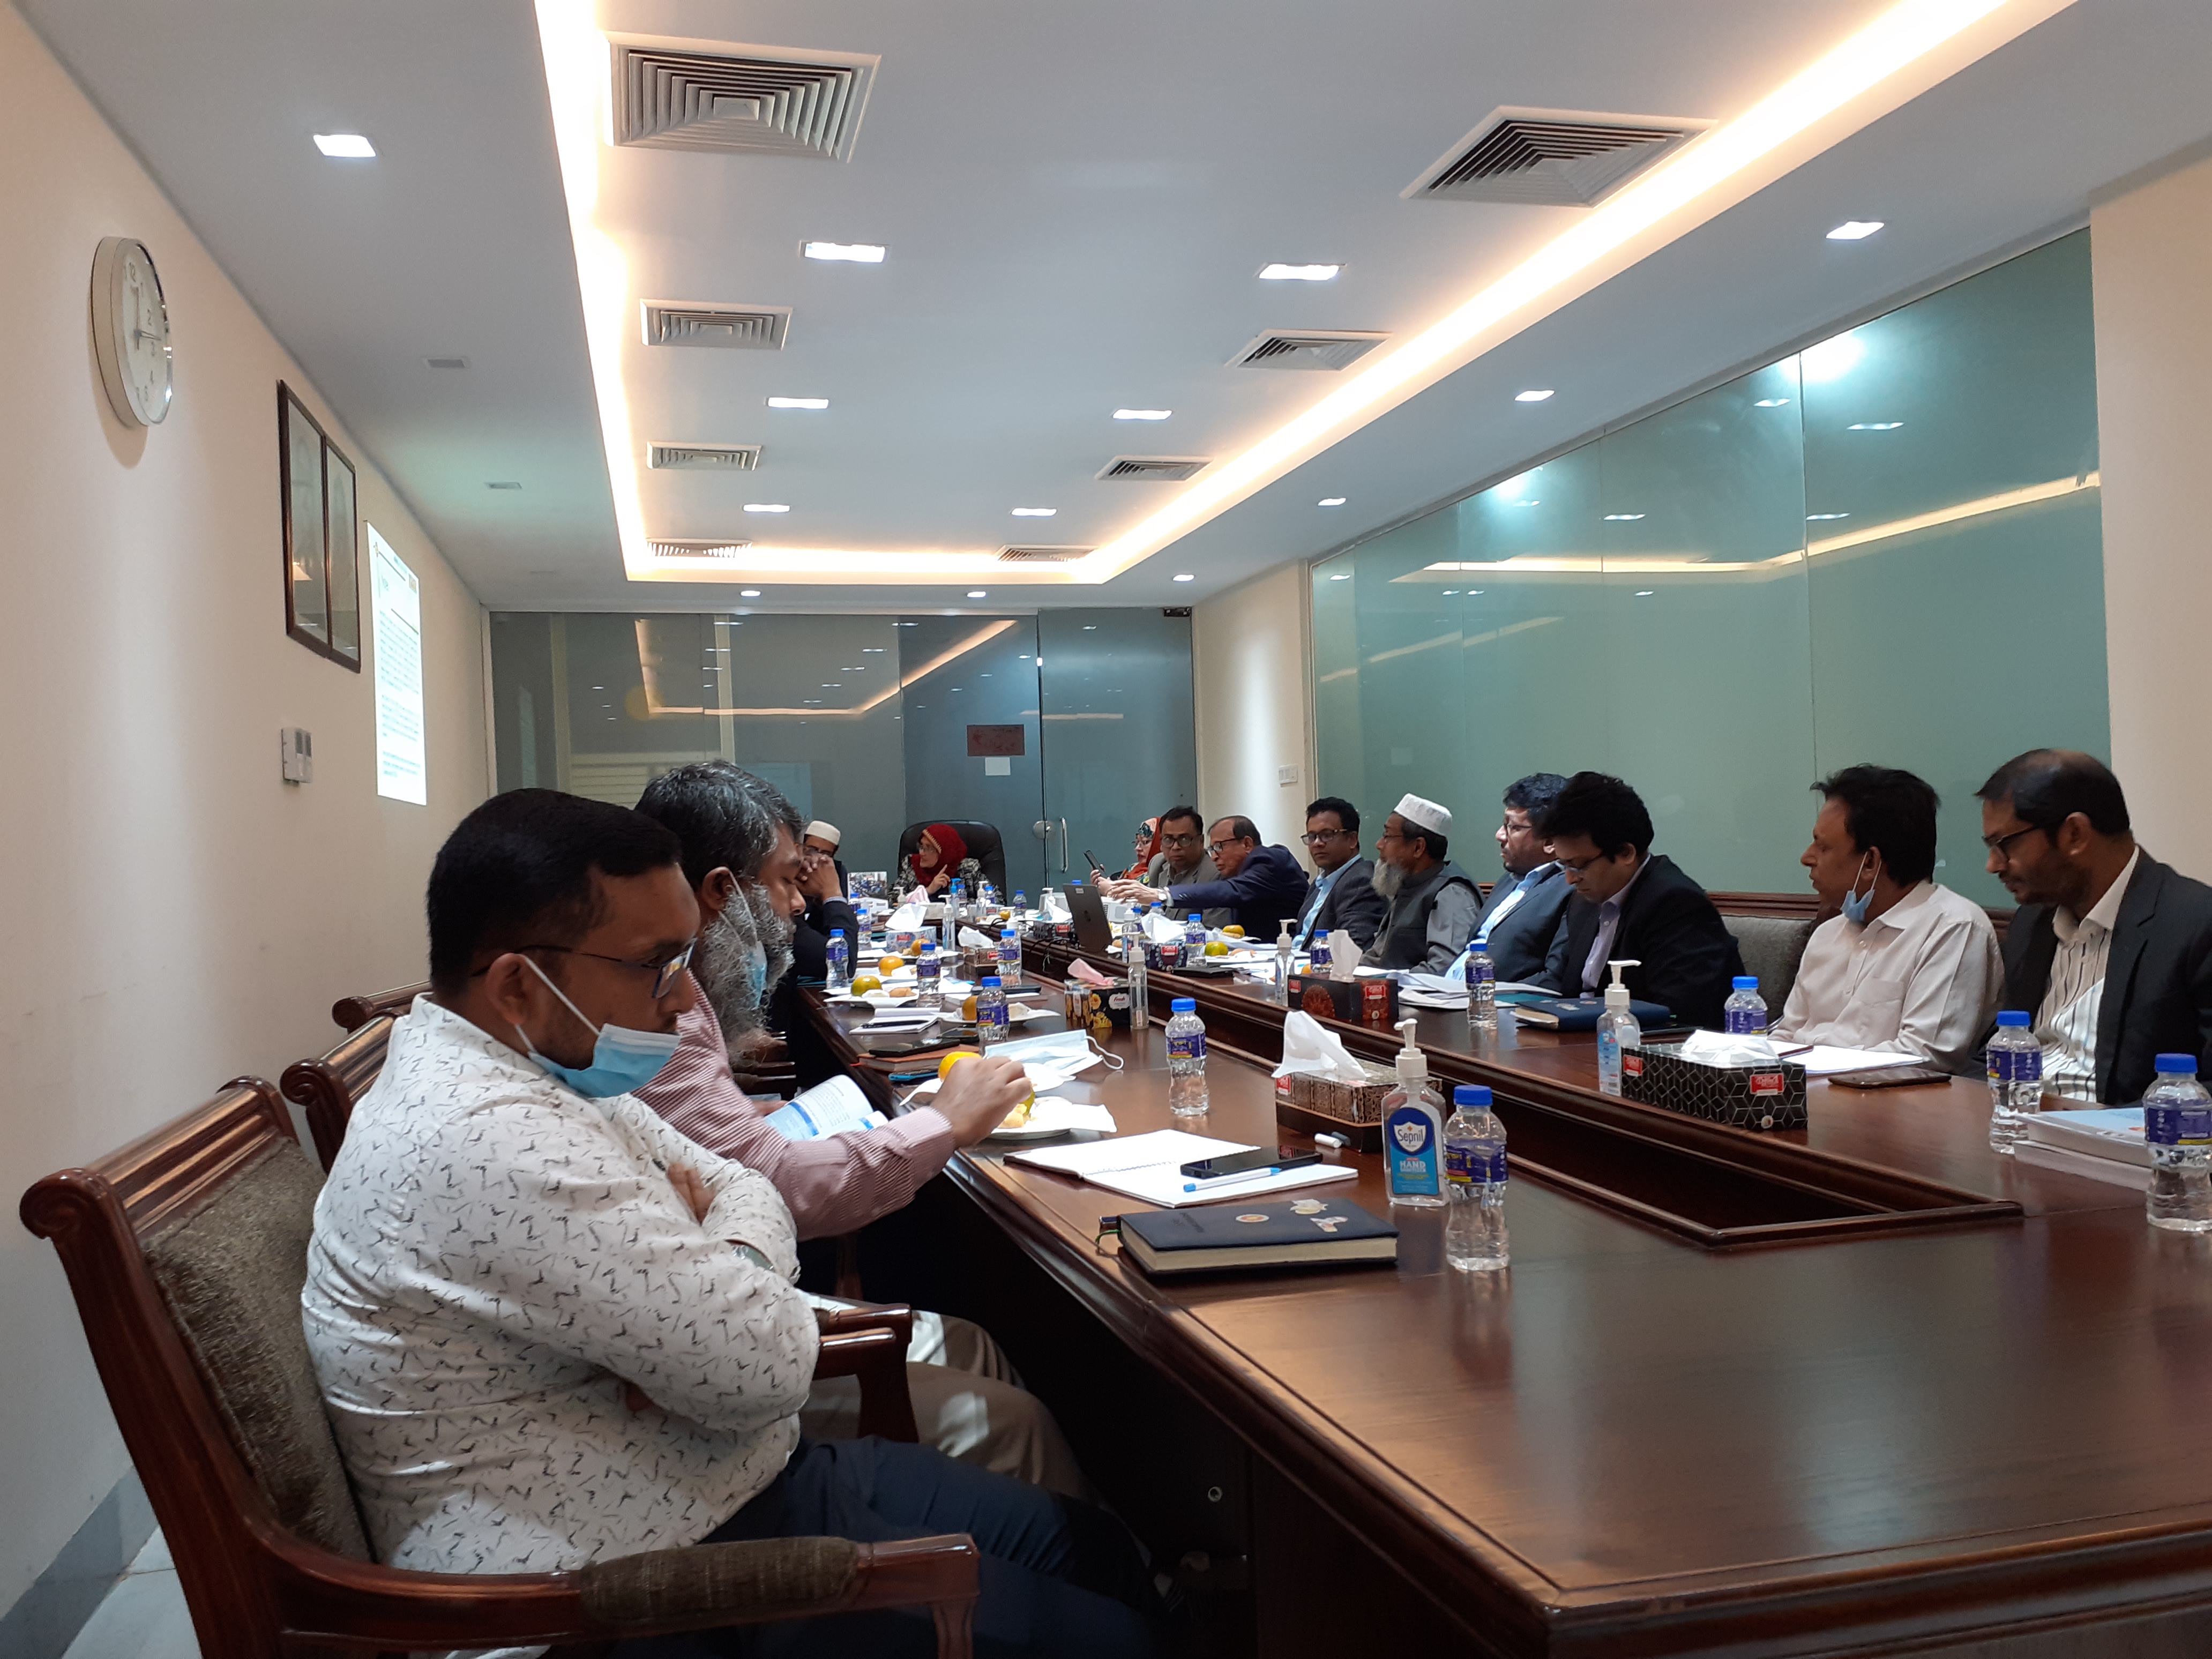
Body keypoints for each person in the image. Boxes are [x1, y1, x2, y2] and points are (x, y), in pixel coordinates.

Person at [302, 790, 1164, 1656]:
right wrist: (730, 1263)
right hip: (632, 1583)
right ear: (519, 984)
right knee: (1117, 1635)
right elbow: (768, 1365)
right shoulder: (498, 1140)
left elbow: (738, 1185)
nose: (685, 1000)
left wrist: (716, 1256)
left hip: (722, 1470)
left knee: (1094, 1552)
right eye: (656, 964)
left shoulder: (537, 1064)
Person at [634, 764, 1088, 1496]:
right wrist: (943, 1123)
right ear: (722, 890)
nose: (797, 905)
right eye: (788, 881)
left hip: (717, 1317)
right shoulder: (659, 1011)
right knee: (1017, 1419)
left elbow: (717, 1164)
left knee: (976, 1345)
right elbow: (776, 1189)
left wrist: (746, 1133)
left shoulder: (654, 1002)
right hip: (714, 1370)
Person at [1979, 749, 2212, 1103]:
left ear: (2075, 834)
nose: (1993, 865)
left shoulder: (2195, 923)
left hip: (2123, 1133)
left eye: (2004, 845)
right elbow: (2001, 1048)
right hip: (2020, 1120)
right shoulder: (2033, 923)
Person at [1773, 765, 2002, 1072]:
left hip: (1886, 1096)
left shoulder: (1952, 928)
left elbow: (1924, 1055)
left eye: (1823, 846)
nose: (1807, 857)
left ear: (1870, 862)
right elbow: (1786, 1035)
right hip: (1801, 1091)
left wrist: (1808, 1070)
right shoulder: (1828, 933)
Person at [1538, 772, 1743, 1029]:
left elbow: (1678, 1017)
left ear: (1626, 853)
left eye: (1578, 865)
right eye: (1564, 865)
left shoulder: (1676, 904)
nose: (1570, 879)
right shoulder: (1585, 902)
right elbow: (1568, 994)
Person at [1450, 773, 1572, 985]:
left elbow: (1554, 979)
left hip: (1497, 1000)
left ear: (1550, 841)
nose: (1500, 835)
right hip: (1447, 992)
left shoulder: (1570, 888)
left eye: (1513, 827)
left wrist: (1488, 997)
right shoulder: (1508, 881)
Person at [1106, 815, 1308, 938]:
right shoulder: (1238, 872)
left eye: (1220, 847)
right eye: (1212, 849)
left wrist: (1161, 895)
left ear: (1247, 844)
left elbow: (1232, 891)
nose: (1214, 856)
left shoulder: (1270, 860)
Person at [1359, 794, 1481, 974]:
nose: (1379, 845)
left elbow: (1445, 968)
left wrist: (1391, 981)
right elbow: (1378, 957)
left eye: (1387, 836)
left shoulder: (1451, 893)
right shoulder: (1407, 885)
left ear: (1418, 847)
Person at [1288, 796, 1386, 950]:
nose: (1317, 844)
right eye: (1312, 837)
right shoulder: (1320, 883)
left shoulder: (1361, 882)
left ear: (1352, 839)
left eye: (1327, 835)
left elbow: (1351, 949)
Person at [1144, 805, 1230, 929]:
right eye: (1168, 839)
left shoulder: (1215, 875)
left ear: (1201, 841)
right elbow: (1144, 914)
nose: (1175, 847)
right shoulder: (1158, 864)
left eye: (1184, 839)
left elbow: (1214, 932)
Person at [898, 821, 981, 898]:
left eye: (929, 849)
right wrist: (927, 891)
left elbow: (988, 896)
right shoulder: (912, 865)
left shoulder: (968, 869)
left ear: (945, 853)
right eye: (921, 847)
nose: (922, 853)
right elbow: (894, 899)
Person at [1122, 816, 1162, 882]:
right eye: (1137, 842)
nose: (1137, 848)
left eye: (1145, 842)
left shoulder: (1161, 876)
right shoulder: (1132, 868)